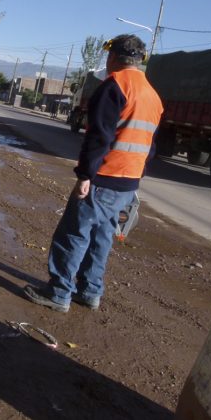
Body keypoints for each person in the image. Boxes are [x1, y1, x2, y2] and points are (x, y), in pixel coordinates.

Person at [24, 34, 163, 313]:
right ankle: (90, 291)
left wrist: (85, 175)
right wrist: (136, 176)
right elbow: (151, 145)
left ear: (114, 57)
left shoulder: (114, 86)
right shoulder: (152, 95)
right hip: (127, 181)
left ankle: (59, 293)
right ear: (140, 60)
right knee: (101, 236)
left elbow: (99, 138)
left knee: (74, 234)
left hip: (103, 177)